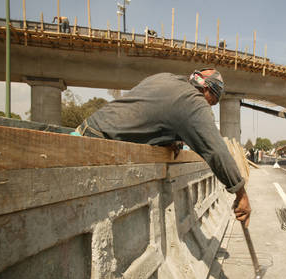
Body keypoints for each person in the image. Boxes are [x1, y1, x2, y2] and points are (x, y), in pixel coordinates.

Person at [76, 68, 251, 226]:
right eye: (211, 103)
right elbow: (216, 150)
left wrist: (168, 139)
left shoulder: (165, 78)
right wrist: (240, 193)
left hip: (85, 131)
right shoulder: (193, 102)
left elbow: (147, 114)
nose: (208, 108)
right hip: (97, 149)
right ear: (207, 90)